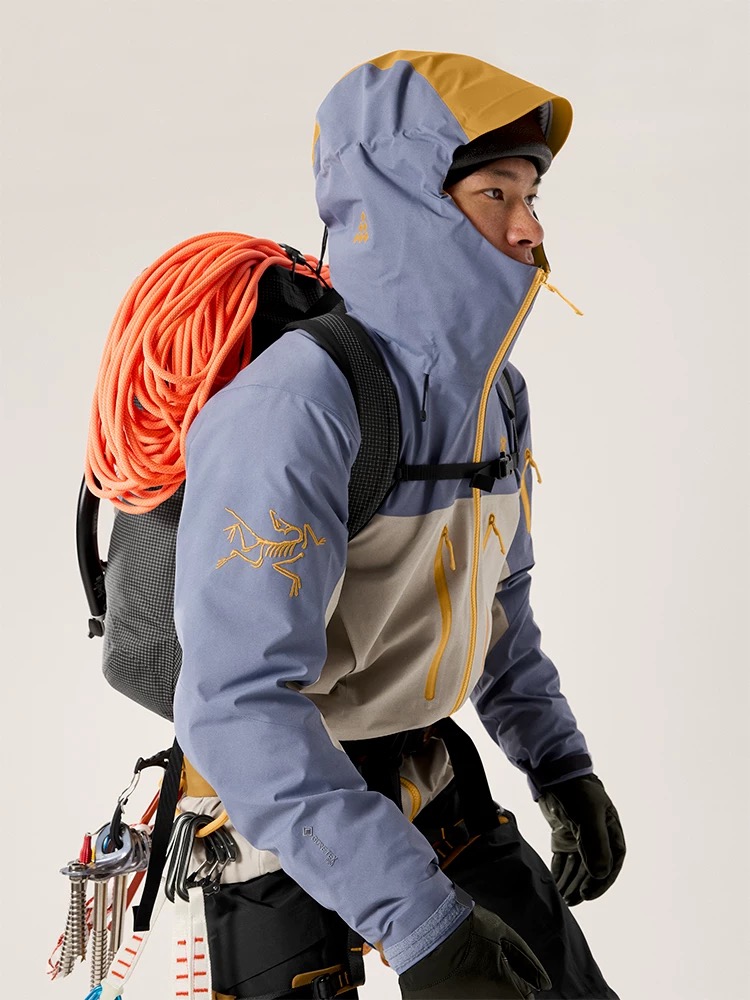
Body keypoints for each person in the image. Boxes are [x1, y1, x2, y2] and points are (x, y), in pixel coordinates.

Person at [173, 50, 626, 999]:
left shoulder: (497, 397)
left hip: (421, 761)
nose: (530, 226)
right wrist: (419, 922)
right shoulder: (296, 407)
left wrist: (559, 763)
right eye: (495, 194)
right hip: (271, 797)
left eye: (532, 195)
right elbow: (236, 702)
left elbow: (498, 606)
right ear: (409, 203)